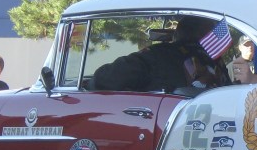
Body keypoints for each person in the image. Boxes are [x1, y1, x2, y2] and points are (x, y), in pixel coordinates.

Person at [93, 16, 231, 93]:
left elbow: (106, 78)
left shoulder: (158, 55)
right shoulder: (215, 59)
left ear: (177, 34)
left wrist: (90, 83)